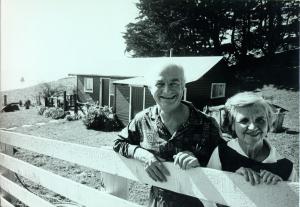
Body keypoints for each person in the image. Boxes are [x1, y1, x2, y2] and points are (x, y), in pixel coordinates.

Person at [113, 63, 225, 207]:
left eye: (174, 83)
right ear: (150, 87)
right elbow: (119, 142)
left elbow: (227, 163)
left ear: (183, 86)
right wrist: (143, 155)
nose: (167, 90)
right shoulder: (143, 120)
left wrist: (200, 166)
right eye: (160, 84)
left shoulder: (207, 124)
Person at [207, 92, 298, 186]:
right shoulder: (221, 153)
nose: (252, 127)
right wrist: (233, 179)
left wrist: (281, 187)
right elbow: (209, 190)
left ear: (268, 123)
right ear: (232, 125)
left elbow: (294, 199)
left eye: (260, 120)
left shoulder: (286, 167)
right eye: (244, 120)